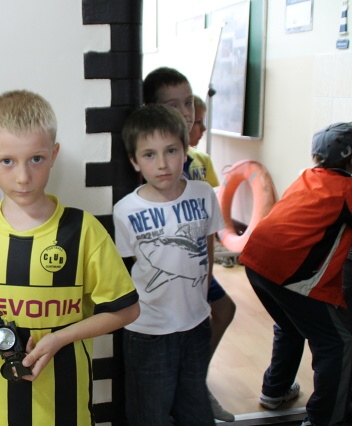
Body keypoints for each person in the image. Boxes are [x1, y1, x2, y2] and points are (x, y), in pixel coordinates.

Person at [0, 90, 140, 425]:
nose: (23, 176)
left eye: (36, 159)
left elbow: (127, 309)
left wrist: (60, 338)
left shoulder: (83, 231)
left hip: (65, 409)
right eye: (7, 161)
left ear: (53, 154)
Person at [113, 103, 224, 425]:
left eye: (171, 151)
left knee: (196, 410)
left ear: (185, 151)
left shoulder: (204, 194)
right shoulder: (126, 210)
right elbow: (131, 265)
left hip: (196, 324)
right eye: (149, 154)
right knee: (150, 415)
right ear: (135, 161)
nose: (162, 164)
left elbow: (207, 244)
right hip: (149, 332)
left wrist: (203, 294)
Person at [239, 122, 352, 426]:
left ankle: (275, 390)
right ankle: (324, 419)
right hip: (291, 276)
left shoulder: (307, 177)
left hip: (256, 263)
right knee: (336, 344)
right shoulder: (347, 188)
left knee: (290, 325)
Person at [142, 67, 237, 422]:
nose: (185, 113)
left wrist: (207, 272)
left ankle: (197, 384)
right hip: (172, 274)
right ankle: (188, 388)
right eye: (174, 105)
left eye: (188, 104)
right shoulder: (156, 163)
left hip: (198, 267)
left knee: (223, 310)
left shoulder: (196, 163)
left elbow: (207, 224)